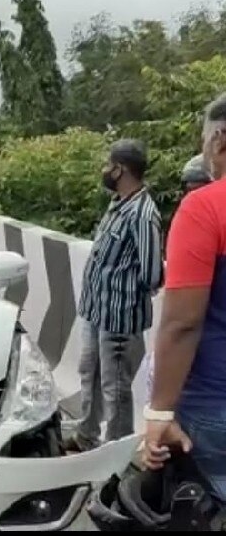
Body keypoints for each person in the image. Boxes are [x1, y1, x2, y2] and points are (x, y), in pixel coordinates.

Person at [143, 94, 226, 503]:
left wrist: (159, 412)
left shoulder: (205, 208)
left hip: (215, 405)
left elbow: (182, 323)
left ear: (220, 140)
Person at [65, 139, 164, 453]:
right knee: (90, 374)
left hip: (119, 320)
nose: (105, 170)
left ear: (121, 169)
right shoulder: (119, 204)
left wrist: (123, 293)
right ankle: (85, 436)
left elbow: (152, 274)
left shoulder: (143, 214)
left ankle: (115, 457)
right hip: (97, 314)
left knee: (116, 390)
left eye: (110, 165)